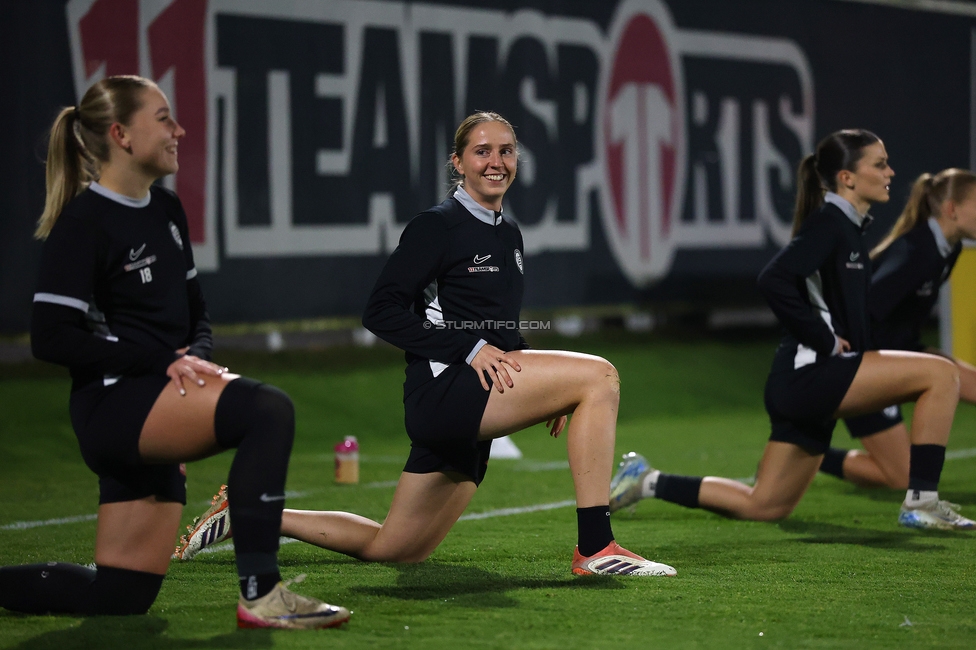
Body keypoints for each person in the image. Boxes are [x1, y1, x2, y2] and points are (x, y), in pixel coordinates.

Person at [175, 112, 676, 576]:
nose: (496, 162)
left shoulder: (509, 235)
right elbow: (381, 312)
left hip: (471, 400)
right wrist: (470, 350)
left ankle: (248, 510)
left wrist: (546, 388)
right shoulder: (436, 226)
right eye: (482, 151)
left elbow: (496, 326)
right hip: (446, 393)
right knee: (600, 374)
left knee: (397, 548)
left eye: (506, 151)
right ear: (457, 162)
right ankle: (595, 548)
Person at [0, 75, 349, 629]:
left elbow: (196, 314)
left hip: (156, 397)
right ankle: (262, 594)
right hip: (115, 408)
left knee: (120, 598)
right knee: (267, 410)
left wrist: (198, 360)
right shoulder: (83, 222)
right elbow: (51, 338)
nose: (179, 130)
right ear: (121, 134)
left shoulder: (165, 209)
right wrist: (161, 366)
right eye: (163, 118)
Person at [607, 130, 973, 530]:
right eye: (880, 164)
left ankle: (647, 481)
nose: (891, 172)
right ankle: (921, 502)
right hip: (810, 376)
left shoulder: (847, 227)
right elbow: (774, 278)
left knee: (764, 506)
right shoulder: (830, 224)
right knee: (942, 374)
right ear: (847, 177)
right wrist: (824, 338)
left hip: (805, 382)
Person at [818, 168, 976, 488]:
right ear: (951, 210)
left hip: (899, 348)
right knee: (901, 477)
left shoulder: (948, 247)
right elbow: (862, 311)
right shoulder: (919, 251)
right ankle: (813, 454)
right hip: (864, 357)